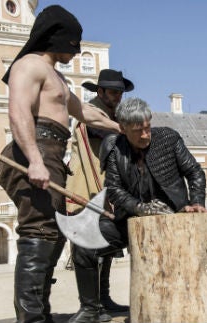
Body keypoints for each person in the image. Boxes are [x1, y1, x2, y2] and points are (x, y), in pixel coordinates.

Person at [0, 5, 121, 323]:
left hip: (51, 153)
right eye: (73, 44)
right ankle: (33, 319)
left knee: (52, 233)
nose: (76, 51)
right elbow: (19, 109)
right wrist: (35, 160)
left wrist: (124, 129)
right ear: (56, 38)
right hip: (33, 150)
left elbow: (87, 114)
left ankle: (39, 314)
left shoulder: (59, 79)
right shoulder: (30, 65)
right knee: (40, 231)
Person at [69, 97, 207, 321]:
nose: (145, 135)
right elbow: (113, 190)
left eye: (147, 128)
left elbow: (195, 172)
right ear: (122, 129)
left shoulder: (168, 138)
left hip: (175, 219)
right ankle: (90, 309)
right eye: (137, 131)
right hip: (130, 220)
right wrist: (141, 208)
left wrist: (197, 202)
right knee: (84, 242)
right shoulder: (114, 148)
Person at [67, 69, 134, 322]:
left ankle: (102, 300)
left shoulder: (114, 115)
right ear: (101, 91)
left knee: (103, 246)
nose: (118, 97)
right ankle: (90, 307)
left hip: (106, 187)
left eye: (120, 93)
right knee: (87, 246)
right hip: (86, 185)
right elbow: (105, 134)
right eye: (114, 92)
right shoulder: (91, 112)